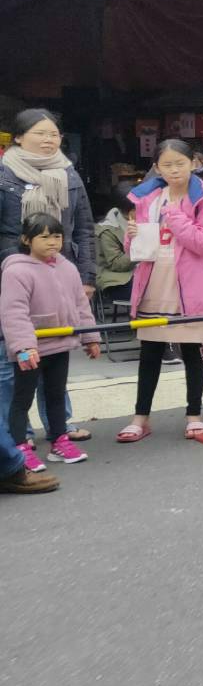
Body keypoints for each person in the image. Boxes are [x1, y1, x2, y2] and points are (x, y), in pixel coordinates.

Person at [116, 139, 203, 443]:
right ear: (157, 167)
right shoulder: (147, 195)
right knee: (150, 351)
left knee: (191, 351)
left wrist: (175, 216)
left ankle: (194, 414)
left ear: (193, 163)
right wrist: (131, 238)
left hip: (193, 284)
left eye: (180, 164)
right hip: (154, 279)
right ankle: (140, 418)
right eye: (167, 165)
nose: (174, 170)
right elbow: (137, 249)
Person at [0, 108, 97, 444]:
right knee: (16, 358)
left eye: (54, 134)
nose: (48, 140)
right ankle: (17, 432)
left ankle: (59, 426)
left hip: (61, 274)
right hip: (16, 276)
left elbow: (84, 227)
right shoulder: (4, 175)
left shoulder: (68, 174)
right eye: (40, 133)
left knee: (55, 355)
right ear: (18, 137)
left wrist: (86, 277)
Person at [1, 214, 101, 469]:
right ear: (26, 239)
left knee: (56, 394)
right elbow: (13, 312)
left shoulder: (67, 267)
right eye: (44, 237)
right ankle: (20, 447)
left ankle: (59, 440)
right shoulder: (16, 270)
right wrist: (23, 347)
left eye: (56, 236)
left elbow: (80, 304)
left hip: (61, 343)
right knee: (21, 399)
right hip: (30, 349)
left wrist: (90, 337)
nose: (52, 243)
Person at [94, 186, 138, 312]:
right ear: (130, 212)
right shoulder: (107, 230)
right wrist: (140, 250)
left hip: (141, 273)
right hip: (118, 281)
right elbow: (116, 263)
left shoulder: (147, 221)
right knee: (149, 289)